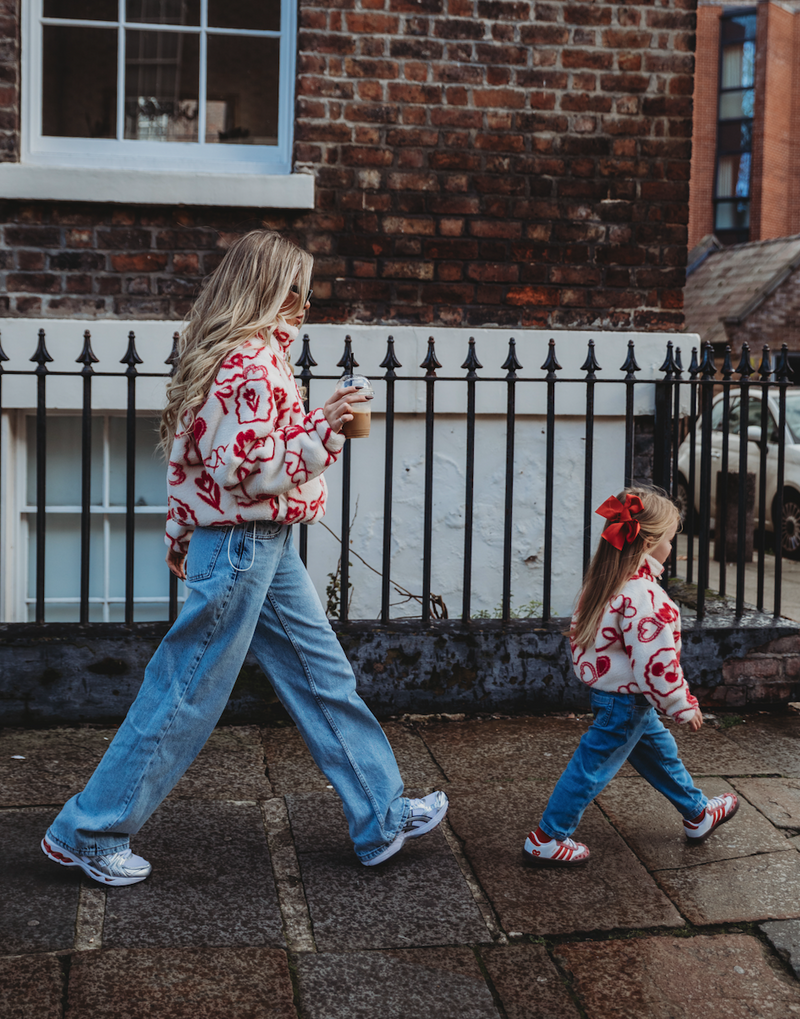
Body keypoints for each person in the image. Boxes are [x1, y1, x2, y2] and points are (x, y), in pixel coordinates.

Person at [42, 230, 447, 885]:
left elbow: (196, 461)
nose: (305, 304)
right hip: (243, 540)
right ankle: (88, 831)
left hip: (256, 542)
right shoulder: (251, 362)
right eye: (297, 290)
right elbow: (252, 473)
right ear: (267, 288)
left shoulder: (232, 356)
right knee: (185, 692)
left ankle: (381, 815)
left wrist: (181, 531)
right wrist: (326, 429)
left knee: (321, 675)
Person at [523, 487, 738, 864]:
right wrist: (682, 704)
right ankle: (547, 837)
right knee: (591, 767)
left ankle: (697, 813)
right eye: (669, 540)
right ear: (649, 542)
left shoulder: (606, 583)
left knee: (660, 753)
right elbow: (657, 663)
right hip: (628, 700)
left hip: (617, 696)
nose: (671, 548)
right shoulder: (645, 597)